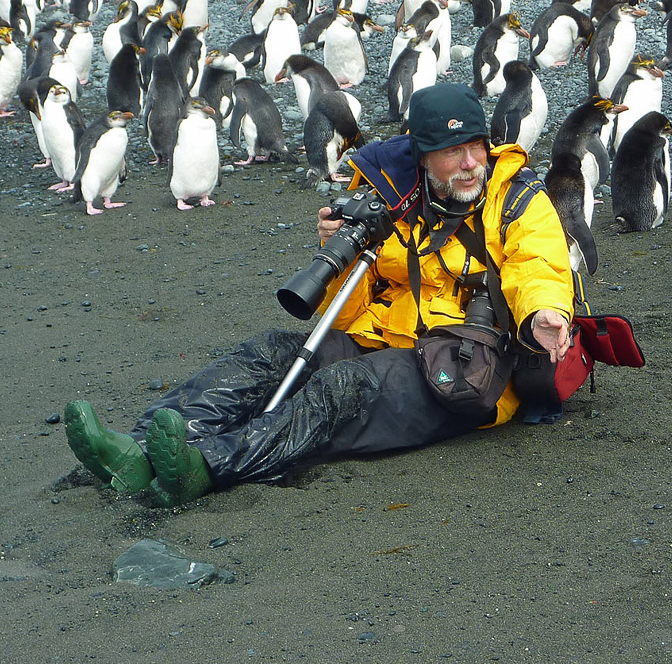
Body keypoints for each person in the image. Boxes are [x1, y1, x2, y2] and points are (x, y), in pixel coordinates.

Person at [63, 83, 575, 505]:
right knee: (268, 354)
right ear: (422, 155)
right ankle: (135, 449)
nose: (469, 164)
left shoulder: (516, 199)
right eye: (451, 152)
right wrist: (337, 251)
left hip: (466, 366)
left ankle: (206, 465)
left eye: (475, 148)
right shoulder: (389, 197)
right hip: (385, 340)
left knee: (339, 390)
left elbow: (539, 263)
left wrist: (544, 311)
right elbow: (347, 315)